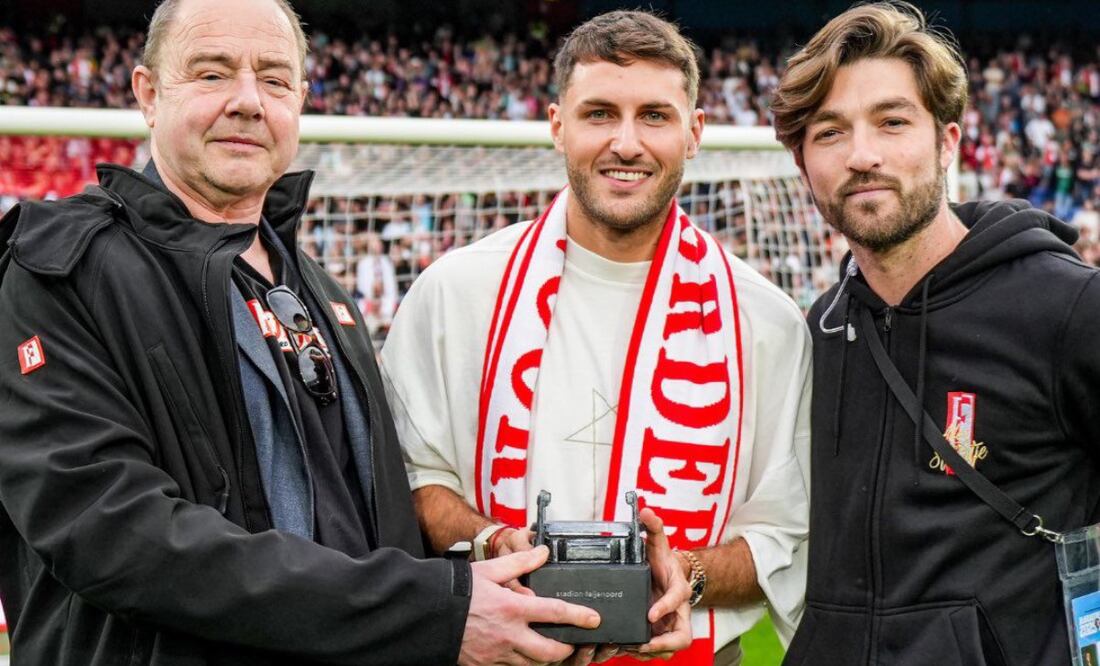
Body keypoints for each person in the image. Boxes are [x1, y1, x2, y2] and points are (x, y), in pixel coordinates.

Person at [0, 0, 602, 663]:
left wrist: (494, 564)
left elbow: (368, 529)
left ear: (301, 101)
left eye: (274, 79)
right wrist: (434, 610)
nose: (248, 101)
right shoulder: (62, 271)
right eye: (212, 73)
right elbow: (113, 536)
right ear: (148, 93)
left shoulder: (322, 292)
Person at [381, 10, 812, 666]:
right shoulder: (454, 292)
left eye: (655, 116)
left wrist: (684, 576)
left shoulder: (767, 322)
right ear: (558, 125)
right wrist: (494, 541)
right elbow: (411, 476)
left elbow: (784, 535)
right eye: (600, 114)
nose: (626, 143)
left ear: (695, 132)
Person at [771, 3, 1100, 664]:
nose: (862, 155)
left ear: (948, 143)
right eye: (830, 132)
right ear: (804, 167)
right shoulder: (821, 330)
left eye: (892, 122)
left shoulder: (1068, 309)